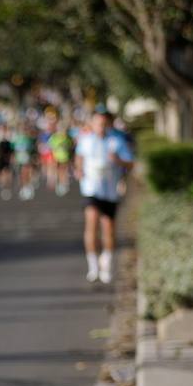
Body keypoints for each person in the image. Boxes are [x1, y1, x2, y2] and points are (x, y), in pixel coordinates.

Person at [75, 107, 134, 284]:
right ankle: (92, 265)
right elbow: (79, 157)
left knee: (108, 228)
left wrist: (117, 160)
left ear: (108, 124)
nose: (100, 126)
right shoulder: (85, 140)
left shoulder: (117, 141)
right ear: (92, 124)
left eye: (104, 123)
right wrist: (79, 170)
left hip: (110, 190)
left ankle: (106, 262)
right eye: (97, 123)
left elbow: (130, 163)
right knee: (91, 223)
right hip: (91, 189)